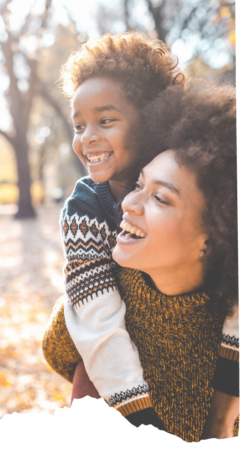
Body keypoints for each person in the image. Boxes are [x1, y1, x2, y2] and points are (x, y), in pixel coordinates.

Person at [55, 33, 239, 430]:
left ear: (153, 119)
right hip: (109, 343)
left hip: (191, 338)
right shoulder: (84, 208)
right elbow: (95, 318)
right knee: (89, 379)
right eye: (79, 124)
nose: (87, 137)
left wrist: (222, 417)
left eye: (105, 121)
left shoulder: (197, 169)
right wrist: (142, 418)